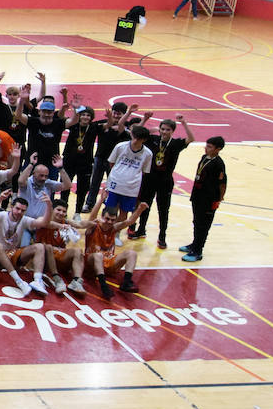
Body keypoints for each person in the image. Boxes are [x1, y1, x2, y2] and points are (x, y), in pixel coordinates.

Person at [134, 115, 193, 248]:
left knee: (163, 209)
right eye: (162, 129)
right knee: (144, 205)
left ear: (172, 131)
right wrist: (147, 122)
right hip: (149, 178)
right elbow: (137, 132)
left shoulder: (176, 144)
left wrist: (184, 122)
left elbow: (191, 139)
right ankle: (141, 229)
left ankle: (162, 235)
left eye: (167, 130)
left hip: (165, 181)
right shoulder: (153, 139)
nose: (164, 132)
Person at [82, 189, 149, 298]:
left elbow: (129, 221)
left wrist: (140, 210)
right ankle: (103, 287)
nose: (109, 222)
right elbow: (92, 217)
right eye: (107, 219)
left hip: (108, 263)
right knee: (98, 255)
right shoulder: (93, 226)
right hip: (91, 264)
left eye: (112, 220)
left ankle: (126, 282)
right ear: (102, 217)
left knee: (132, 253)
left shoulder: (113, 228)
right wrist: (101, 200)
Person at [182, 136, 227, 262]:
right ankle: (194, 244)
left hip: (209, 199)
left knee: (203, 225)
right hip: (197, 196)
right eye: (206, 145)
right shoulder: (204, 158)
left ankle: (198, 251)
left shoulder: (219, 164)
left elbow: (222, 183)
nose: (206, 148)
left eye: (209, 147)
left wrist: (218, 199)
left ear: (218, 149)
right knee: (196, 222)